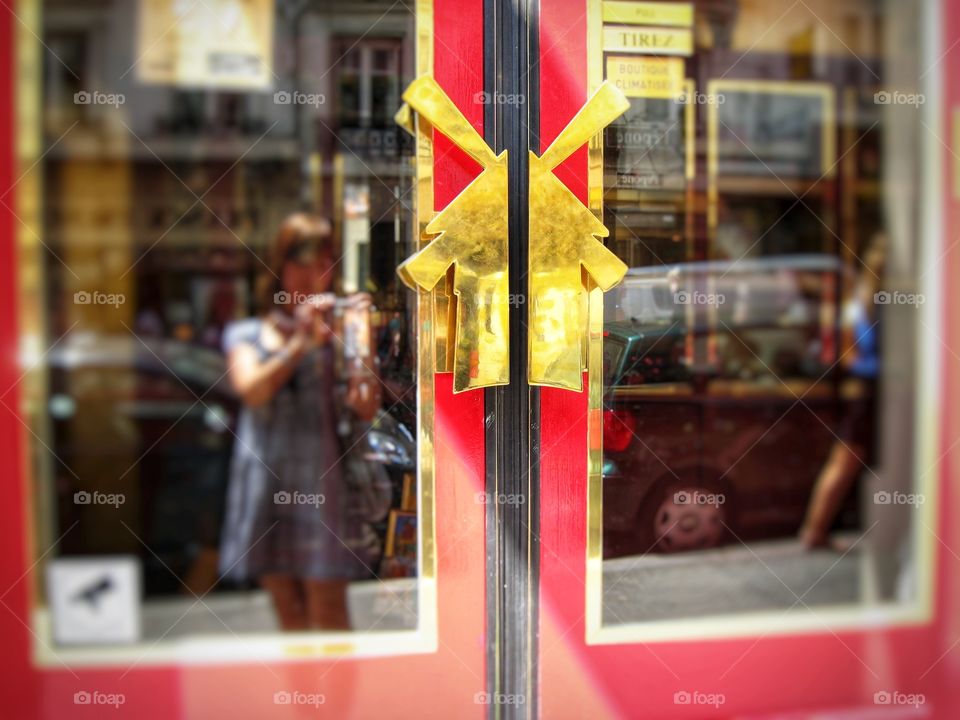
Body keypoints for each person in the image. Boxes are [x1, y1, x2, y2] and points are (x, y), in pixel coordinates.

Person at [219, 212, 370, 630]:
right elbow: (253, 390)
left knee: (330, 612)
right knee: (289, 616)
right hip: (266, 484)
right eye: (301, 262)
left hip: (323, 484)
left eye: (323, 263)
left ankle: (336, 680)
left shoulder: (343, 331)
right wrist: (302, 343)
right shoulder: (247, 334)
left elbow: (365, 407)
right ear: (279, 267)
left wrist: (359, 342)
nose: (311, 275)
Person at [799, 235, 886, 549]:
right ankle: (815, 531)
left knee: (847, 460)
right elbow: (851, 355)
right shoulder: (873, 305)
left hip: (866, 391)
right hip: (872, 392)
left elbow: (847, 354)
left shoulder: (859, 303)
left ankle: (816, 530)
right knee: (847, 460)